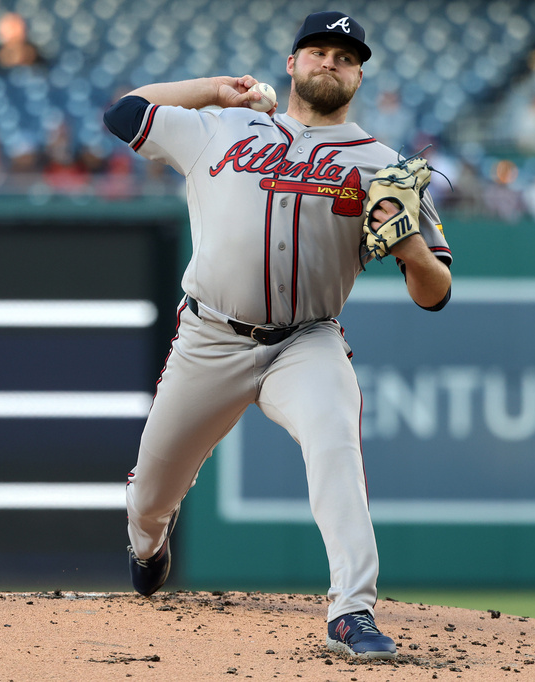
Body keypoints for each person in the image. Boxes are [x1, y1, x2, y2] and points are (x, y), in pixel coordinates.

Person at [102, 10, 452, 661]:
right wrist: (213, 89)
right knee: (148, 497)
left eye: (345, 56)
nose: (330, 62)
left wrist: (410, 250)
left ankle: (352, 610)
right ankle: (150, 543)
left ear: (358, 75)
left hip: (306, 341)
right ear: (292, 63)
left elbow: (436, 293)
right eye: (317, 51)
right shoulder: (224, 128)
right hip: (209, 337)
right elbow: (123, 113)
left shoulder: (386, 166)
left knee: (334, 442)